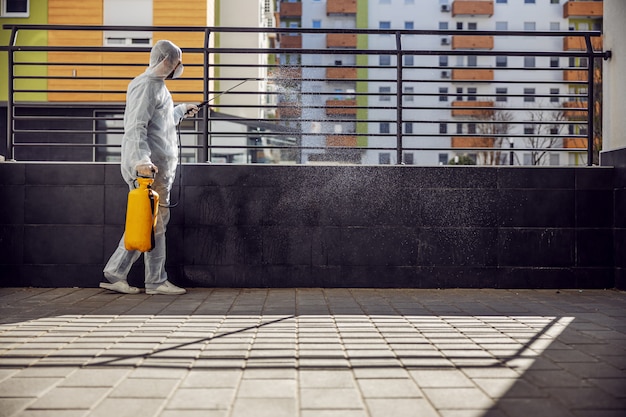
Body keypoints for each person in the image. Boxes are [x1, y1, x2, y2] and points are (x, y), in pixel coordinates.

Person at [101, 40, 198, 295]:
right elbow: (135, 127)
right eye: (178, 62)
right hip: (149, 168)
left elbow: (160, 123)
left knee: (151, 221)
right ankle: (153, 280)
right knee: (151, 222)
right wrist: (141, 161)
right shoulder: (145, 85)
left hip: (159, 169)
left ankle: (120, 273)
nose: (180, 66)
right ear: (167, 61)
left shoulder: (158, 87)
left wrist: (180, 111)